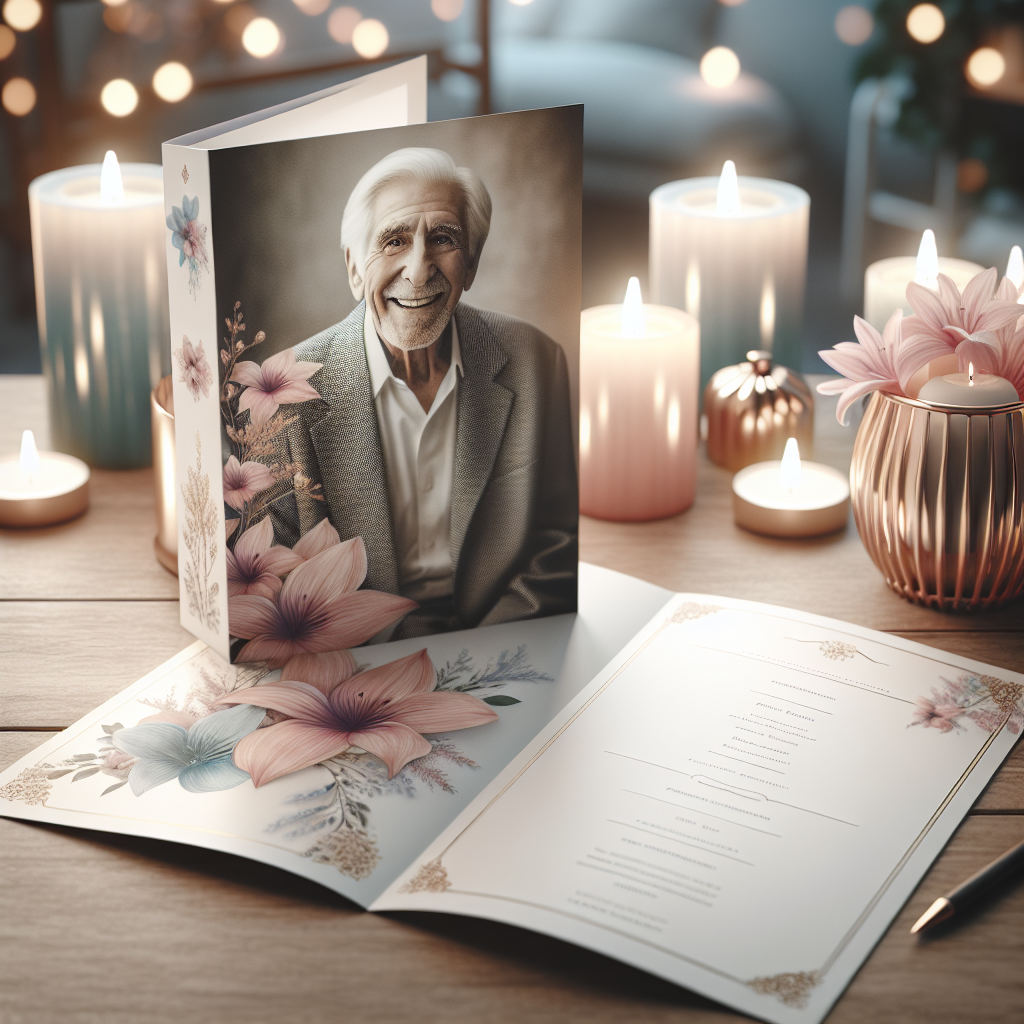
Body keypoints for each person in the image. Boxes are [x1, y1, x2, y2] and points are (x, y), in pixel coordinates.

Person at [272, 147, 577, 638]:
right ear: (354, 269)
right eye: (394, 241)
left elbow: (558, 546)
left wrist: (477, 661)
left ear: (471, 265)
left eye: (443, 239)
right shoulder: (282, 394)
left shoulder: (538, 362)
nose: (418, 269)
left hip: (503, 644)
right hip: (354, 666)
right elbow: (274, 585)